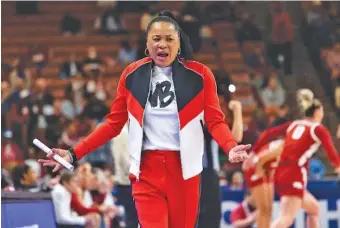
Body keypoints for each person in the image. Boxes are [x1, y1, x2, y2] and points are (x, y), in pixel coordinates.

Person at [39, 10, 250, 228]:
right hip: (146, 172)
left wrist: (231, 146)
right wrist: (74, 153)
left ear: (179, 44)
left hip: (185, 173)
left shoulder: (200, 75)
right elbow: (112, 125)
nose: (162, 44)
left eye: (169, 39)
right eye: (156, 39)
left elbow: (215, 121)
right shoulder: (132, 75)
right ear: (147, 44)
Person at [249, 89, 340, 228]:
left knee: (314, 209)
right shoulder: (318, 129)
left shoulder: (294, 124)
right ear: (316, 112)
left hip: (280, 172)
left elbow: (268, 134)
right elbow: (331, 151)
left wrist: (254, 153)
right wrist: (338, 167)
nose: (322, 114)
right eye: (321, 111)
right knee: (286, 218)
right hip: (293, 173)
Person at [198, 100, 244, 228]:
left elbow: (235, 138)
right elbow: (236, 138)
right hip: (202, 177)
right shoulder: (201, 126)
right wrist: (237, 110)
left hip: (203, 177)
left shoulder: (208, 128)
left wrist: (237, 111)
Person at [242, 138, 285, 228]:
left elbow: (274, 164)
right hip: (254, 168)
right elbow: (261, 159)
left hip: (266, 170)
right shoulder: (282, 146)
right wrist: (259, 174)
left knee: (269, 208)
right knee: (263, 208)